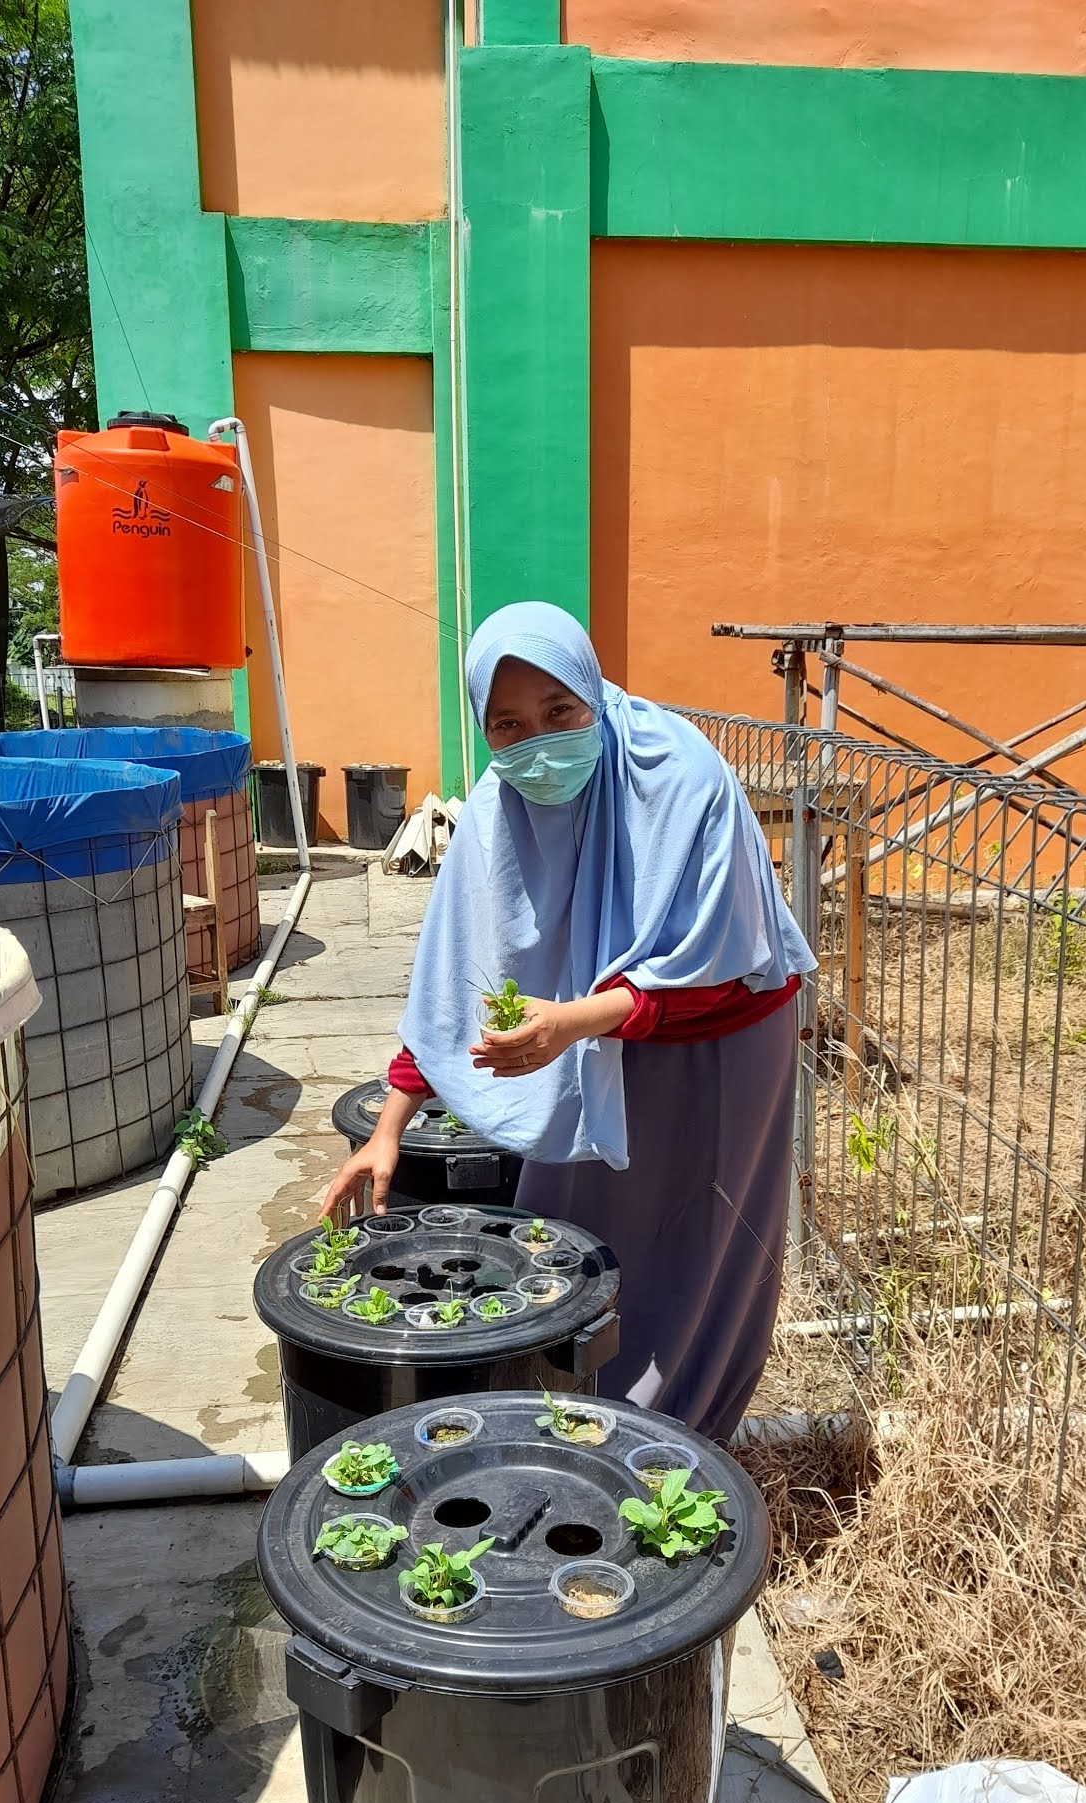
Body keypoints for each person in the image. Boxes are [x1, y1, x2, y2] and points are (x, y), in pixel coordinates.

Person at [321, 601, 815, 1441]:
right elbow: (458, 981)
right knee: (570, 1234)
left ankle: (680, 1449)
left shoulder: (682, 780)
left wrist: (574, 1022)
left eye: (559, 712)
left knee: (696, 1254)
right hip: (588, 1032)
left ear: (592, 690)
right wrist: (389, 1127)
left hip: (720, 1046)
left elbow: (722, 974)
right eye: (508, 725)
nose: (537, 742)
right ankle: (574, 1424)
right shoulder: (497, 807)